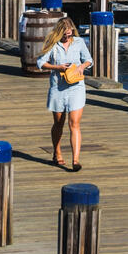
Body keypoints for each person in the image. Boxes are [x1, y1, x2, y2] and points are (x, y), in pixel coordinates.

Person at [36, 16, 94, 171]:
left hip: (77, 87)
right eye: (65, 35)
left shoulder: (79, 42)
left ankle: (76, 160)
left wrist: (82, 66)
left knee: (74, 123)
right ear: (59, 33)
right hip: (58, 88)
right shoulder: (53, 44)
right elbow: (41, 63)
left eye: (69, 34)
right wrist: (58, 67)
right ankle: (57, 152)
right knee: (59, 123)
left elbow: (89, 60)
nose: (67, 37)